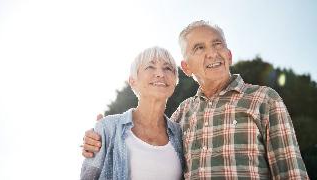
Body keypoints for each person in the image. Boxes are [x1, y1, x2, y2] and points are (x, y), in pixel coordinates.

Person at [82, 21, 309, 179]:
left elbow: (291, 171)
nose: (212, 53)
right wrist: (98, 137)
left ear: (229, 55)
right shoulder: (183, 114)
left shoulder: (263, 99)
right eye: (199, 48)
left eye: (217, 44)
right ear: (187, 67)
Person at [80, 47, 184, 180]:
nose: (160, 74)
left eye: (168, 68)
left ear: (175, 82)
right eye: (150, 67)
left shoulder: (180, 135)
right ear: (133, 81)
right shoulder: (107, 128)